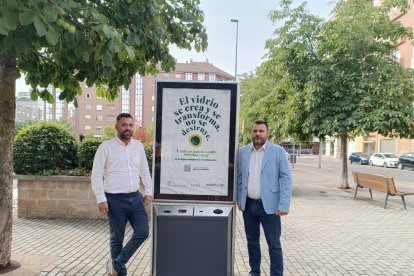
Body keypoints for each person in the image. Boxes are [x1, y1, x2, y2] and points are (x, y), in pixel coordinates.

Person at [92, 113, 153, 276]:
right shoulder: (106, 147)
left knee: (143, 232)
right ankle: (119, 273)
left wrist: (149, 191)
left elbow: (144, 171)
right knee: (116, 238)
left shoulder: (138, 146)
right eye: (124, 125)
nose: (128, 128)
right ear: (117, 127)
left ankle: (116, 264)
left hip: (136, 198)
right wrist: (101, 199)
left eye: (130, 125)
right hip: (114, 200)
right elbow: (96, 175)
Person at [237, 120, 293, 276]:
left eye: (261, 131)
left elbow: (286, 178)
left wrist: (284, 204)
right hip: (249, 205)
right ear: (251, 133)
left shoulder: (278, 151)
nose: (257, 134)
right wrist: (239, 198)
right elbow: (239, 177)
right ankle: (254, 272)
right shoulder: (242, 152)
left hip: (271, 206)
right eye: (255, 131)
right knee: (252, 242)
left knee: (274, 244)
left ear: (267, 133)